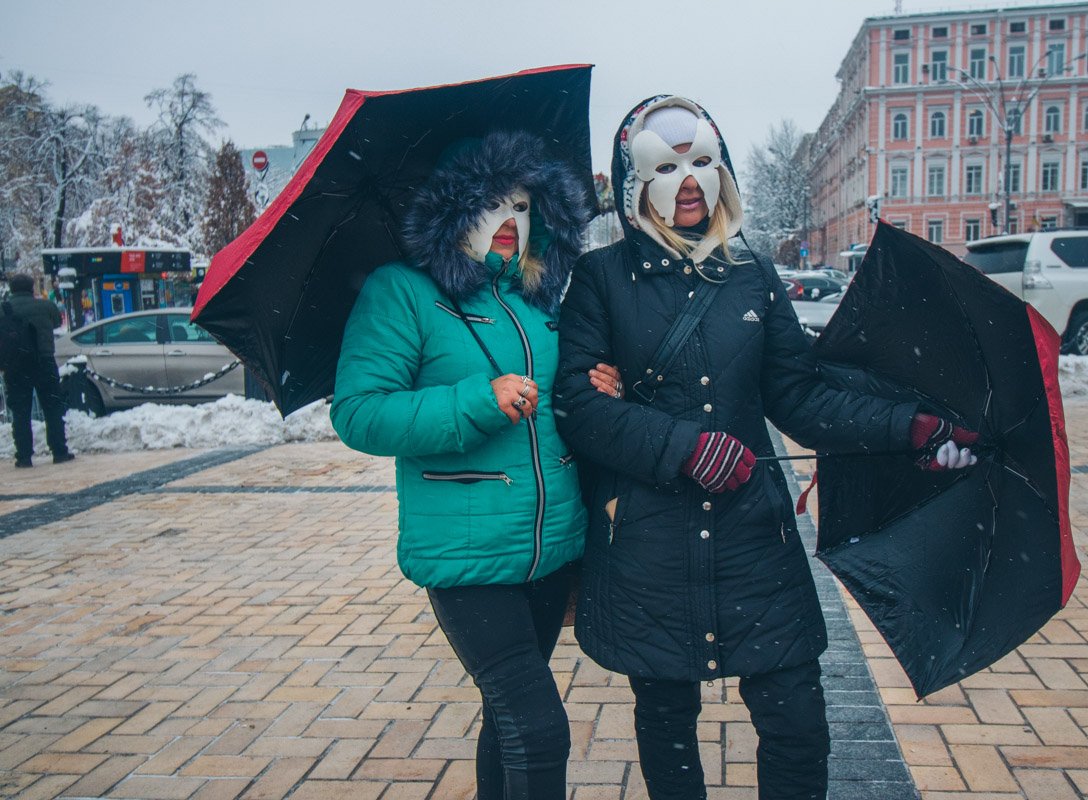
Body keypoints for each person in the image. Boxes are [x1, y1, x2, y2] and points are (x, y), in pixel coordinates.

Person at [554, 96, 977, 800]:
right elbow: (580, 409)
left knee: (798, 721)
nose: (688, 181)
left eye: (701, 162)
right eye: (666, 167)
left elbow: (801, 396)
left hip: (756, 537)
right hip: (651, 541)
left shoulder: (752, 274)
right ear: (633, 183)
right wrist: (684, 447)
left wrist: (912, 428)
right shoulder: (600, 282)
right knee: (667, 716)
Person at [330, 130, 620, 800]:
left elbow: (566, 401)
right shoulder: (401, 292)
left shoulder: (541, 298)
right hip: (465, 553)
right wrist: (474, 402)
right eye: (492, 202)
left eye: (522, 204)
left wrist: (602, 384)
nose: (510, 220)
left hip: (550, 551)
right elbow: (360, 413)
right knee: (541, 728)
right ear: (453, 209)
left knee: (509, 722)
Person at [3, 273, 73, 468]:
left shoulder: (4, 309)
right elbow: (57, 323)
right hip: (44, 361)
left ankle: (24, 456)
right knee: (52, 407)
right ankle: (59, 451)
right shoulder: (45, 306)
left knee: (20, 412)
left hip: (15, 366)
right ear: (32, 288)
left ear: (12, 289)